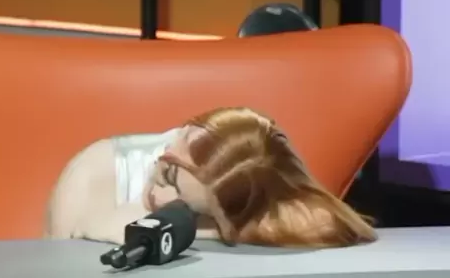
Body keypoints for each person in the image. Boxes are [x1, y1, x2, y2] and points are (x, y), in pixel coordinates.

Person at [46, 106, 376, 248]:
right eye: (168, 175)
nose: (160, 198)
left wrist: (210, 229)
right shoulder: (96, 170)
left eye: (191, 208)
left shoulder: (250, 187)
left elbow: (335, 224)